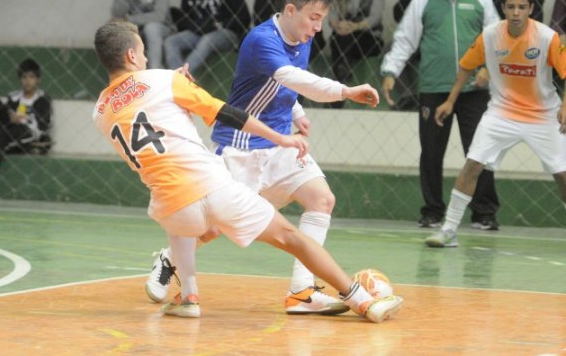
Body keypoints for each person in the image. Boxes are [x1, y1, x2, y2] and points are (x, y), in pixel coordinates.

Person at [93, 20, 403, 321]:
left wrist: (174, 85)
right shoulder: (164, 80)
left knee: (178, 205)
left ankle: (189, 297)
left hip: (171, 211)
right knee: (290, 237)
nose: (146, 57)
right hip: (212, 188)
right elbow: (226, 113)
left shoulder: (101, 112)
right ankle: (361, 300)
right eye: (143, 51)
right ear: (131, 56)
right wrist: (280, 137)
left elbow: (145, 107)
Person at [147, 0, 381, 316]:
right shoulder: (261, 39)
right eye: (313, 18)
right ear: (290, 10)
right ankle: (170, 258)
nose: (318, 28)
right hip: (242, 146)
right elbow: (292, 77)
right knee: (212, 227)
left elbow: (284, 84)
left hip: (282, 143)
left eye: (322, 20)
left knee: (321, 199)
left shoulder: (303, 34)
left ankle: (302, 292)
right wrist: (345, 91)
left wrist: (296, 110)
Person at [425, 0, 566, 247]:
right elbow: (466, 68)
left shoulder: (547, 37)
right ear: (503, 8)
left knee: (562, 174)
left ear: (530, 9)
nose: (516, 12)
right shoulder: (490, 35)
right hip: (501, 112)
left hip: (543, 115)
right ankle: (449, 230)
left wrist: (564, 106)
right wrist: (450, 101)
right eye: (510, 6)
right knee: (472, 164)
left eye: (521, 7)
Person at [381, 0, 501, 230]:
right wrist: (390, 72)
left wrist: (487, 69)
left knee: (480, 151)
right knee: (431, 152)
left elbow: (496, 38)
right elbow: (404, 39)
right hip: (434, 89)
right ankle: (433, 211)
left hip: (474, 89)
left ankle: (484, 213)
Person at [163, 0, 250, 74]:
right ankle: (177, 78)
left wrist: (218, 25)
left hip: (226, 33)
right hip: (199, 32)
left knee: (207, 40)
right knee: (170, 42)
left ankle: (180, 78)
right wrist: (198, 26)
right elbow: (185, 20)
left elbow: (244, 17)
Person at [0, 58, 52, 183]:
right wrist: (12, 116)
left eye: (31, 77)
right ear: (20, 80)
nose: (27, 81)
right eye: (24, 77)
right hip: (10, 129)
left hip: (28, 133)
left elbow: (43, 126)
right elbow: (7, 115)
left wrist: (24, 120)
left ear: (38, 80)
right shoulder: (14, 97)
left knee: (12, 128)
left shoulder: (43, 99)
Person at [327, 0, 384, 108]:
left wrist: (354, 26)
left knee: (345, 40)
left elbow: (374, 18)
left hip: (369, 37)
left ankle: (339, 87)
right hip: (342, 34)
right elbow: (331, 14)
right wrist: (337, 25)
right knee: (337, 39)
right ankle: (342, 79)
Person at [389, 0, 436, 111]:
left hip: (437, 42)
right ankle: (408, 97)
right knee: (393, 48)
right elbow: (397, 12)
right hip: (415, 40)